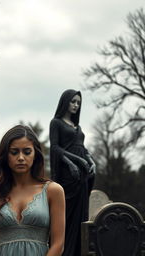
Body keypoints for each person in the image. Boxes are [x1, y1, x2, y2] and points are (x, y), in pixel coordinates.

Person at [0, 125, 65, 256]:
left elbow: (58, 244)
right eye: (14, 152)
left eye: (27, 152)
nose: (20, 157)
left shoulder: (53, 191)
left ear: (35, 154)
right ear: (5, 155)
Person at [49, 89, 96, 256]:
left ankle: (79, 251)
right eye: (73, 101)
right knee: (67, 217)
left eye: (78, 103)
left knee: (81, 216)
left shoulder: (78, 126)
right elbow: (55, 148)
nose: (76, 105)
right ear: (65, 102)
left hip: (82, 177)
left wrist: (91, 160)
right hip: (69, 177)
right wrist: (72, 163)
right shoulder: (56, 123)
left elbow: (81, 147)